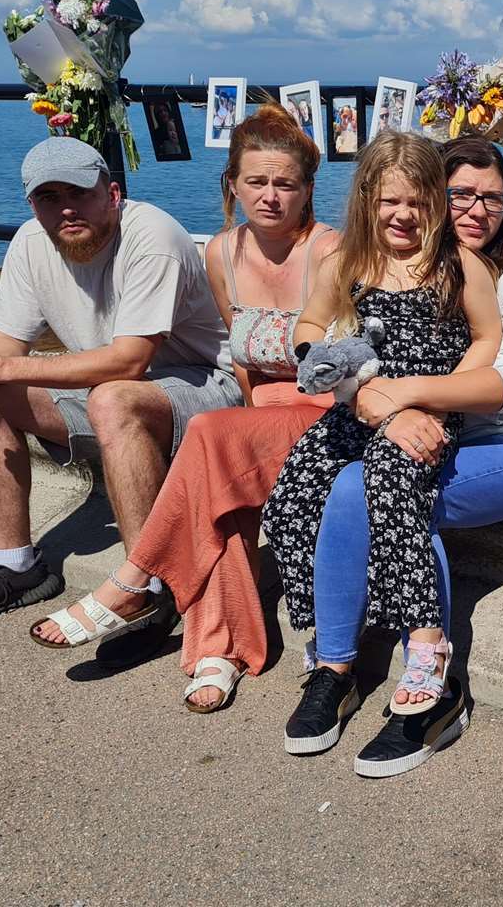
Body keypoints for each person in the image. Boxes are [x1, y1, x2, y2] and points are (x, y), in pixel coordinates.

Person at [26, 104, 338, 710]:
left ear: (307, 190)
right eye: (256, 181)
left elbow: (331, 361)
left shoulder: (332, 251)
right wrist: (246, 425)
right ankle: (220, 648)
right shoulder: (220, 253)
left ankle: (135, 579)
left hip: (324, 412)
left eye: (285, 184)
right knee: (216, 463)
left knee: (210, 440)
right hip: (255, 420)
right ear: (232, 185)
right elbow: (242, 364)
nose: (270, 196)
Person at [303, 136, 503, 775]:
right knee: (349, 483)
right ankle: (334, 668)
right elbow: (333, 337)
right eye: (460, 195)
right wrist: (371, 394)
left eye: (495, 198)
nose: (478, 210)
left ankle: (437, 692)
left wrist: (412, 397)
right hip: (418, 435)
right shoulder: (404, 259)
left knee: (381, 489)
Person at [0, 136, 238, 634]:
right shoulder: (31, 240)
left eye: (80, 193)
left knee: (113, 398)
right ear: (32, 204)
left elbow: (130, 361)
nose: (66, 209)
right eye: (49, 198)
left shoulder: (151, 235)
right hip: (109, 391)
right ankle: (16, 567)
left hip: (205, 387)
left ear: (112, 194)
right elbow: (5, 342)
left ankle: (149, 590)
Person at [262, 133, 503, 763]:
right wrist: (345, 380)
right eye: (389, 201)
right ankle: (325, 648)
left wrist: (438, 398)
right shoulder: (346, 262)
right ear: (367, 199)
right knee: (292, 496)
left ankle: (424, 645)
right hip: (357, 408)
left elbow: (486, 340)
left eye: (417, 203)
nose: (402, 216)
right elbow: (311, 329)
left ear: (436, 204)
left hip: (423, 417)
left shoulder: (460, 266)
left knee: (394, 489)